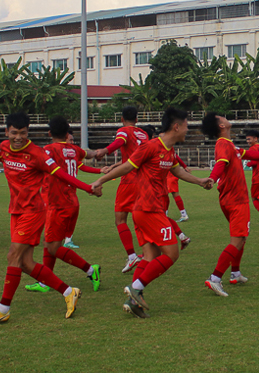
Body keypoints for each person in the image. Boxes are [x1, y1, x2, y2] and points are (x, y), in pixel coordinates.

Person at [0, 112, 101, 325]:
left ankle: (3, 309)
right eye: (14, 133)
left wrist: (88, 187)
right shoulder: (4, 147)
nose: (18, 137)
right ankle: (69, 292)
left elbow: (62, 174)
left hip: (33, 212)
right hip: (16, 210)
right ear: (7, 132)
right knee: (25, 263)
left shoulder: (38, 154)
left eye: (23, 133)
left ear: (28, 133)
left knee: (13, 256)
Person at [89, 108, 212, 318]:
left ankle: (133, 301)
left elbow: (177, 170)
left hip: (150, 210)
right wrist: (100, 180)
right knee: (172, 253)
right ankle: (136, 288)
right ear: (176, 126)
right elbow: (128, 166)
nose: (187, 130)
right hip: (148, 210)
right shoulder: (151, 146)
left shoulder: (169, 150)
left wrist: (200, 181)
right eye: (186, 125)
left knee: (151, 256)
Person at [25, 116, 103, 293]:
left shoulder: (48, 150)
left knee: (53, 247)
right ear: (67, 133)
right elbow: (89, 154)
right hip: (71, 202)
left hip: (57, 203)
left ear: (50, 133)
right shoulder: (74, 150)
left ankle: (91, 270)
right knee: (50, 242)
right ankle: (45, 281)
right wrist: (99, 152)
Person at [201, 113, 259, 296]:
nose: (225, 118)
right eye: (221, 117)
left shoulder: (231, 145)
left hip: (229, 198)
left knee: (241, 237)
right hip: (236, 199)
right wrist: (212, 178)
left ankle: (235, 273)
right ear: (221, 126)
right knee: (238, 239)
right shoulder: (224, 144)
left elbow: (251, 154)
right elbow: (221, 163)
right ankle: (215, 278)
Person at [92, 106, 148, 273]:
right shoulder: (143, 134)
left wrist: (105, 150)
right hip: (145, 181)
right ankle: (148, 254)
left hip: (129, 181)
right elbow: (135, 157)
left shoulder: (124, 130)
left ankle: (132, 256)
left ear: (122, 119)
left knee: (120, 219)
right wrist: (116, 165)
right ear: (137, 120)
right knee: (141, 219)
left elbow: (120, 141)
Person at [141, 125, 192, 250]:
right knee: (160, 217)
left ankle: (183, 218)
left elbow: (128, 163)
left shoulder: (159, 147)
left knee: (157, 217)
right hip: (158, 190)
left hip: (158, 190)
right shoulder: (155, 148)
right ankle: (181, 236)